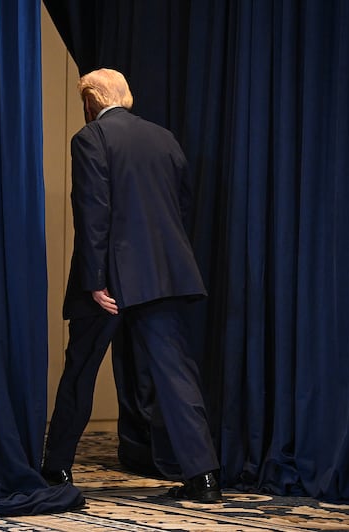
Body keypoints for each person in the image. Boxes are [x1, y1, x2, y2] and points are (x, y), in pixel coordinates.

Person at [41, 68, 221, 503]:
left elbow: (93, 212)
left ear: (90, 102)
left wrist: (96, 281)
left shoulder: (90, 138)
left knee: (80, 371)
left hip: (111, 282)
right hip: (163, 276)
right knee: (177, 376)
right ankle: (205, 478)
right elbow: (182, 206)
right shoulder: (164, 138)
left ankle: (56, 468)